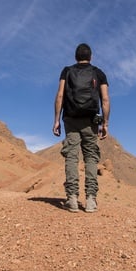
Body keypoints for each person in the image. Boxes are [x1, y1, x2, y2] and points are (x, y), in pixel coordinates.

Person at [52, 43, 110, 213]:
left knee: (71, 156)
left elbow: (60, 95)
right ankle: (91, 200)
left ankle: (72, 199)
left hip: (70, 118)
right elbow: (105, 100)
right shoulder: (98, 73)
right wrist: (105, 123)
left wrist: (56, 120)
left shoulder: (67, 71)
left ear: (76, 57)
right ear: (90, 57)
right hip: (91, 120)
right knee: (91, 157)